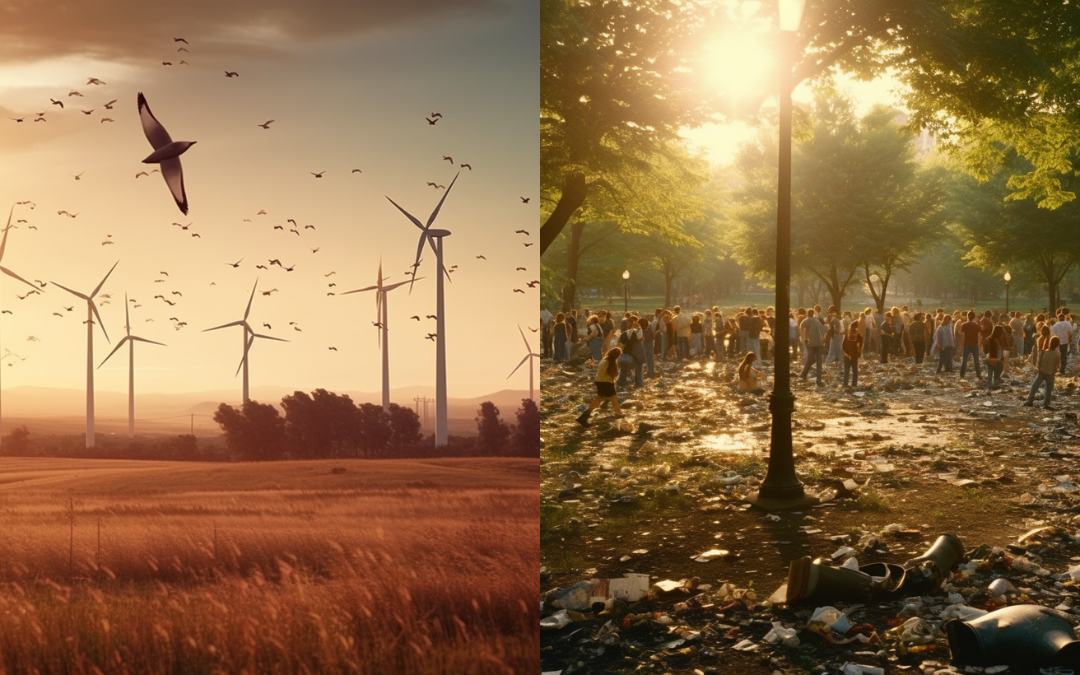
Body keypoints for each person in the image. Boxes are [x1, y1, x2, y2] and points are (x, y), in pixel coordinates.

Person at [577, 347, 624, 426]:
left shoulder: (604, 360)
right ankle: (619, 416)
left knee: (598, 400)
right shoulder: (610, 362)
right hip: (606, 383)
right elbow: (612, 375)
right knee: (613, 399)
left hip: (599, 382)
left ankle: (583, 417)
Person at [1026, 336, 1062, 409]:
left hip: (1041, 373)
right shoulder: (1057, 353)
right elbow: (1057, 365)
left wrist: (1040, 370)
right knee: (1048, 389)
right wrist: (1052, 372)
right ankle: (1046, 403)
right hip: (1050, 374)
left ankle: (1030, 401)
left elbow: (1038, 363)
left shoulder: (1043, 352)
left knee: (1034, 387)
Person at [799, 308, 825, 385]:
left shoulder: (805, 321)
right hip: (818, 343)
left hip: (810, 343)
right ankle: (818, 380)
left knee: (811, 359)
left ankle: (804, 373)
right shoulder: (817, 321)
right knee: (819, 362)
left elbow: (801, 331)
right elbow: (823, 330)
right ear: (813, 313)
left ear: (807, 314)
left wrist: (804, 340)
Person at [959, 310, 982, 379]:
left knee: (964, 361)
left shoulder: (964, 325)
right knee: (976, 361)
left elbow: (962, 335)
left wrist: (961, 344)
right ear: (974, 317)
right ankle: (978, 375)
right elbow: (980, 335)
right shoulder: (976, 325)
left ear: (967, 317)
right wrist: (980, 344)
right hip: (975, 344)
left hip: (966, 344)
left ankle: (962, 375)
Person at [841, 323, 863, 388]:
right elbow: (860, 346)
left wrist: (846, 354)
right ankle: (854, 384)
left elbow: (843, 346)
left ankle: (845, 384)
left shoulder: (847, 335)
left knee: (847, 370)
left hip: (847, 355)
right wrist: (859, 354)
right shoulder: (858, 336)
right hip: (854, 355)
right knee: (854, 370)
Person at [984, 325, 1005, 389]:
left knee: (992, 371)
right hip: (992, 358)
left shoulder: (995, 339)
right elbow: (991, 350)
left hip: (993, 358)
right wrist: (994, 360)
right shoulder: (992, 340)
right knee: (992, 370)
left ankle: (992, 383)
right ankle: (991, 384)